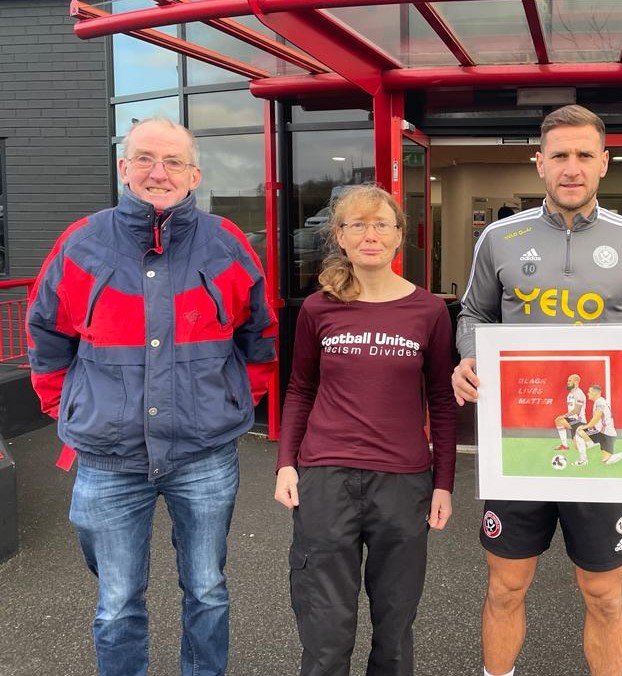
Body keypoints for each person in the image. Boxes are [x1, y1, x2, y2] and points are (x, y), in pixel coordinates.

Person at [26, 118, 278, 676]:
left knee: (208, 589)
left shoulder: (227, 244)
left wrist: (232, 401)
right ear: (123, 167)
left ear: (195, 174)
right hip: (107, 458)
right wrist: (65, 408)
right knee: (116, 604)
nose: (157, 173)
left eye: (171, 162)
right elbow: (46, 336)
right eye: (143, 158)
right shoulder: (81, 243)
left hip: (204, 454)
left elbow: (259, 338)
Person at [452, 104, 622, 676]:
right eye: (559, 155)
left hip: (605, 444)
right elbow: (474, 314)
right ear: (539, 164)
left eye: (584, 154)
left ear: (604, 162)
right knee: (506, 587)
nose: (571, 167)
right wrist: (469, 359)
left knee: (603, 594)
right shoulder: (500, 238)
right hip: (517, 440)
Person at [274, 184, 457, 676]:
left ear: (401, 236)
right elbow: (299, 390)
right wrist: (286, 463)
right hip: (325, 477)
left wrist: (444, 483)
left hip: (402, 480)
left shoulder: (429, 311)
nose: (370, 234)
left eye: (381, 224)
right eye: (357, 224)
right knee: (325, 629)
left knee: (394, 628)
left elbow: (441, 400)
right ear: (340, 235)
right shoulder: (318, 309)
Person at [575, 384, 622, 466]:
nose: (588, 393)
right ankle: (595, 444)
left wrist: (586, 426)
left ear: (594, 393)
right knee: (606, 460)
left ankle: (584, 460)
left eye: (589, 392)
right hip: (604, 432)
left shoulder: (600, 402)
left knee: (579, 434)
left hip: (604, 434)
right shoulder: (600, 401)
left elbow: (597, 417)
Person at [553, 373, 586, 450]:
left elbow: (577, 410)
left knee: (559, 420)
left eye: (570, 380)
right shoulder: (570, 394)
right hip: (572, 421)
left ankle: (597, 440)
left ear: (576, 382)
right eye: (568, 380)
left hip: (579, 421)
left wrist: (565, 416)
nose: (568, 382)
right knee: (578, 448)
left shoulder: (579, 393)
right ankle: (564, 445)